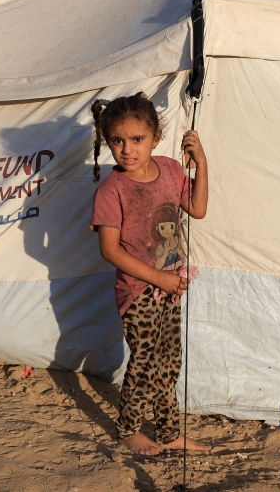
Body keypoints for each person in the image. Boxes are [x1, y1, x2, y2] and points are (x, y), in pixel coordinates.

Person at [89, 92, 210, 456]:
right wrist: (160, 279)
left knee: (169, 361)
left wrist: (200, 163)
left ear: (156, 138)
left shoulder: (172, 171)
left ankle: (169, 431)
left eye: (137, 139)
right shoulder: (112, 189)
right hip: (139, 291)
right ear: (107, 141)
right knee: (145, 362)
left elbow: (198, 209)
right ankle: (127, 430)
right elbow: (109, 250)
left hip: (171, 288)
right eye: (118, 141)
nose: (127, 149)